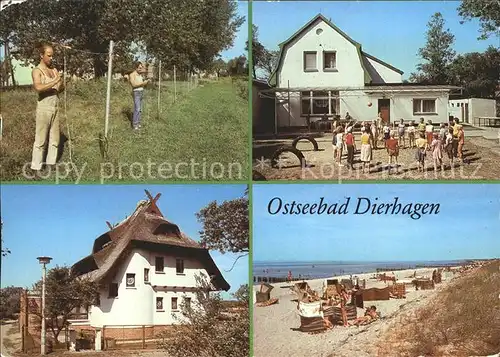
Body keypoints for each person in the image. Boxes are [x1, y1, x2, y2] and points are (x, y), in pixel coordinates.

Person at [30, 43, 64, 178]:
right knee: (40, 139)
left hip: (55, 105)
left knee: (55, 139)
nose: (51, 58)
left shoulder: (54, 69)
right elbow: (38, 87)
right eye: (49, 55)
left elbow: (59, 89)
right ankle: (36, 167)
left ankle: (51, 164)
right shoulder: (37, 71)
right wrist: (55, 80)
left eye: (52, 55)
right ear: (41, 55)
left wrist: (62, 82)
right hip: (44, 107)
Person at [129, 61, 149, 130]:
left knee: (140, 109)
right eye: (139, 68)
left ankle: (138, 122)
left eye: (141, 68)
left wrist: (146, 82)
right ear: (135, 68)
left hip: (141, 92)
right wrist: (143, 83)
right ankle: (134, 125)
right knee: (137, 109)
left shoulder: (140, 74)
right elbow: (133, 85)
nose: (141, 69)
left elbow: (145, 69)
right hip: (136, 93)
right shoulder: (132, 75)